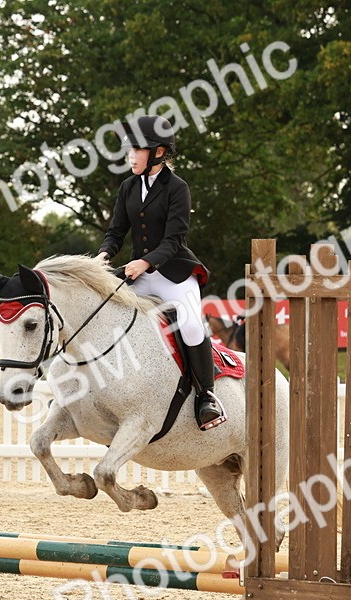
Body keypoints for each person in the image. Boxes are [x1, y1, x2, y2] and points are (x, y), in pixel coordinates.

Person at [97, 115, 226, 431]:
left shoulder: (177, 188)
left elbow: (174, 239)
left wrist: (145, 263)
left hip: (175, 275)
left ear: (157, 152)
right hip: (138, 275)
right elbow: (116, 232)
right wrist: (101, 257)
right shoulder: (128, 187)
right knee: (100, 312)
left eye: (136, 149)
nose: (130, 156)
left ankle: (206, 397)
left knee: (193, 327)